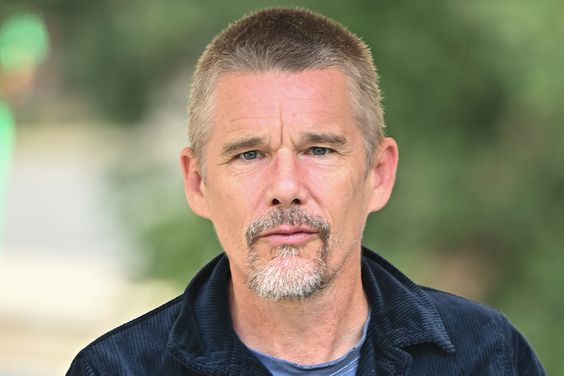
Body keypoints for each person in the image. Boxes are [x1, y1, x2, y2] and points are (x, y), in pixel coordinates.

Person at [67, 8, 545, 375]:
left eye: (318, 150)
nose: (286, 188)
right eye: (249, 154)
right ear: (197, 183)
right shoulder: (116, 369)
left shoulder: (488, 356)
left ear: (378, 174)